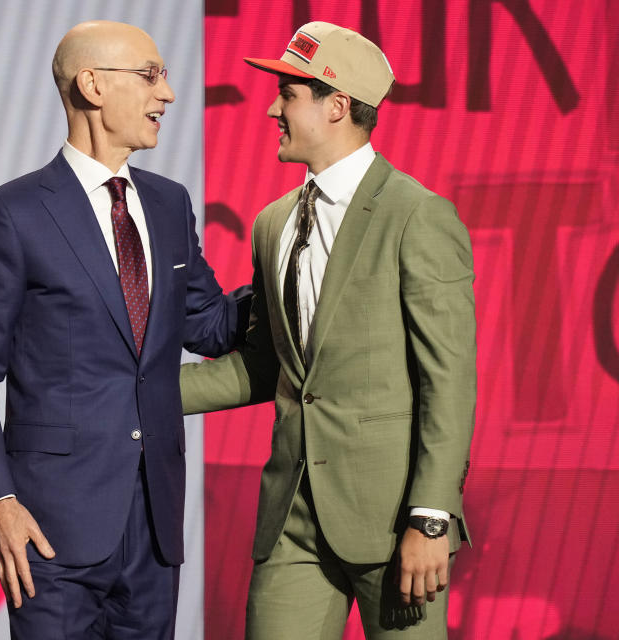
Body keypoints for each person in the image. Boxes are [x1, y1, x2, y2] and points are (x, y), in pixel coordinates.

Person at [0, 20, 246, 639]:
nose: (167, 93)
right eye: (150, 74)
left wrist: (290, 268)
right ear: (92, 86)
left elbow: (210, 326)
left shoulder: (168, 202)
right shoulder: (13, 213)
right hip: (49, 527)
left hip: (155, 526)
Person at [181, 21, 476, 639]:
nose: (271, 108)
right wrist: (135, 388)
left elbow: (448, 381)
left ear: (337, 105)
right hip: (292, 516)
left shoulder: (416, 215)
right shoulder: (272, 223)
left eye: (288, 94)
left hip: (394, 523)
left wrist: (430, 519)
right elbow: (268, 367)